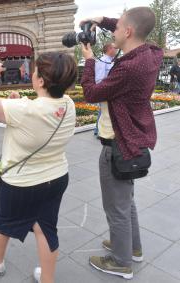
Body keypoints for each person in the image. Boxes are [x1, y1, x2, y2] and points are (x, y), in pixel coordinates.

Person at [0, 52, 77, 283]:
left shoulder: (23, 109)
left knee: (3, 223)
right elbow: (41, 110)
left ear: (41, 81)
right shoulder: (68, 104)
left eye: (35, 72)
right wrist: (19, 101)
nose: (32, 74)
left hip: (20, 183)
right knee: (46, 228)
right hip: (57, 178)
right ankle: (47, 279)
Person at [80, 7, 163, 280]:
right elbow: (127, 26)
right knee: (127, 202)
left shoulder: (128, 67)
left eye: (117, 28)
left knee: (116, 207)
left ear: (128, 32)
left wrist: (89, 60)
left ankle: (120, 260)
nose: (113, 31)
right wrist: (101, 20)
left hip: (118, 145)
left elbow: (91, 93)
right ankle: (132, 247)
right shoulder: (151, 52)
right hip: (134, 141)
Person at [93, 43, 117, 137]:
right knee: (104, 110)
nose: (116, 50)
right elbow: (99, 78)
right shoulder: (102, 61)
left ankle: (98, 130)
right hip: (105, 89)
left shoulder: (111, 61)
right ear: (109, 49)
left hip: (111, 89)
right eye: (114, 48)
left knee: (105, 110)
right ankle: (98, 131)